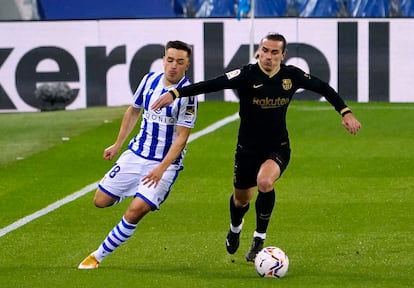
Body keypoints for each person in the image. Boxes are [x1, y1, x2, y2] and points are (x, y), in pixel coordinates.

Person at [151, 33, 362, 262]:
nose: (268, 56)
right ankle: (235, 227)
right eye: (265, 50)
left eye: (274, 52)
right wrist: (176, 92)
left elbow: (323, 88)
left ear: (283, 55)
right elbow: (212, 84)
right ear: (258, 51)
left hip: (278, 146)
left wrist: (345, 112)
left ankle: (259, 238)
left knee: (265, 182)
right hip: (247, 149)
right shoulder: (246, 74)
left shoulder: (292, 76)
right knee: (241, 199)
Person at [78, 40, 197, 269]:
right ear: (164, 60)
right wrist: (117, 144)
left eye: (179, 62)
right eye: (170, 60)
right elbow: (133, 111)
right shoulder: (149, 80)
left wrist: (161, 169)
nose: (173, 66)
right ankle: (134, 190)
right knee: (100, 201)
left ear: (187, 65)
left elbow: (182, 137)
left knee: (135, 211)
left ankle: (97, 256)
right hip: (136, 154)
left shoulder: (188, 95)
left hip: (164, 165)